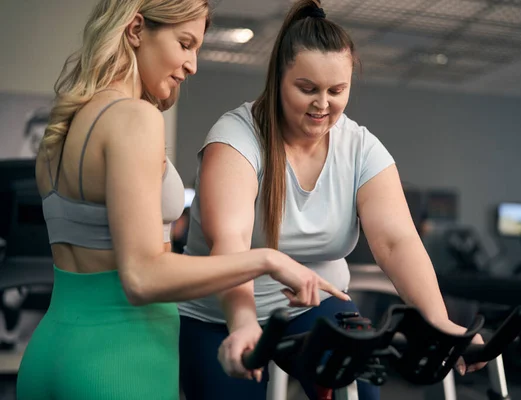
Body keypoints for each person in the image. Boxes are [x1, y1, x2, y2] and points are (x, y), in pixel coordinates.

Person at [15, 1, 349, 399]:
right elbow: (141, 277)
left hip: (49, 353)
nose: (192, 65)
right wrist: (269, 259)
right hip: (119, 362)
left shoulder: (65, 124)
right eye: (184, 43)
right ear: (136, 29)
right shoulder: (134, 118)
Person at [178, 0, 486, 399]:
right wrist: (243, 324)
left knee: (359, 391)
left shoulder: (359, 147)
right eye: (307, 89)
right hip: (219, 314)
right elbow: (231, 243)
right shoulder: (236, 139)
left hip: (313, 308)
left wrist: (439, 323)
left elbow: (397, 242)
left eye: (336, 90)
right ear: (278, 80)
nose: (322, 104)